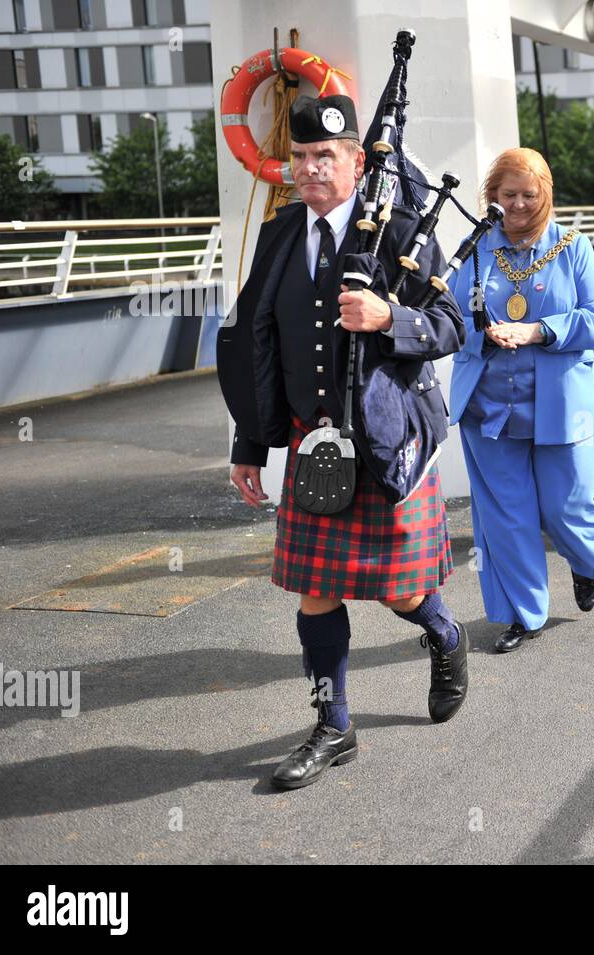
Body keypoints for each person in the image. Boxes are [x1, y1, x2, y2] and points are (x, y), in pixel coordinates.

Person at [218, 94, 467, 790]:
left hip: (383, 437)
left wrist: (392, 314)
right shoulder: (280, 232)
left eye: (324, 156)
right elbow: (257, 344)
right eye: (298, 157)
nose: (308, 169)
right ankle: (335, 725)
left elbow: (450, 324)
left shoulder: (402, 230)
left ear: (358, 160)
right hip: (310, 439)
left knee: (400, 588)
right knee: (315, 588)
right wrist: (249, 441)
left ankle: (446, 635)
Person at [446, 147, 594, 654]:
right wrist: (482, 330)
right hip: (487, 404)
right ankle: (526, 613)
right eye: (508, 195)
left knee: (565, 508)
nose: (519, 204)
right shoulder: (475, 247)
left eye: (529, 194)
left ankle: (587, 561)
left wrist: (537, 330)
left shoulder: (573, 247)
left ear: (545, 195)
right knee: (507, 514)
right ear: (492, 197)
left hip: (559, 402)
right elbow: (448, 316)